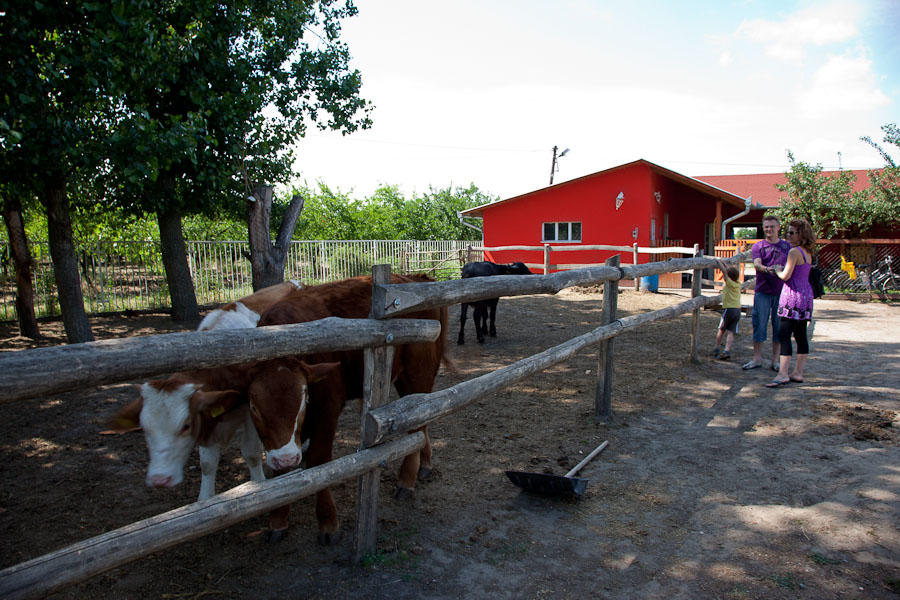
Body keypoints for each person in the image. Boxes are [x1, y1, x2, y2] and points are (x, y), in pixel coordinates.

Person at [765, 219, 815, 387]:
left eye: (793, 232)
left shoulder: (794, 252)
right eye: (788, 232)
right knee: (801, 335)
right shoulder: (807, 252)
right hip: (805, 296)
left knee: (784, 334)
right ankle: (798, 372)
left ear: (802, 235)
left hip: (792, 296)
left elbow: (786, 276)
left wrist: (778, 270)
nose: (789, 235)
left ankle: (783, 373)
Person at [742, 215, 792, 371]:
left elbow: (791, 266)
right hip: (762, 291)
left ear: (778, 227)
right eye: (766, 227)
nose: (769, 229)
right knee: (759, 324)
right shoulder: (758, 246)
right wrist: (768, 269)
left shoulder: (787, 247)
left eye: (772, 226)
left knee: (779, 327)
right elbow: (757, 264)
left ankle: (775, 361)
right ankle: (757, 359)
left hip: (782, 292)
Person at [714, 260, 741, 360]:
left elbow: (725, 272)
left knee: (721, 329)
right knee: (730, 332)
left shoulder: (729, 283)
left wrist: (718, 262)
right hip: (737, 311)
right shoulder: (738, 283)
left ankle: (717, 347)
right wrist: (724, 263)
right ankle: (727, 350)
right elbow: (728, 271)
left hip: (729, 309)